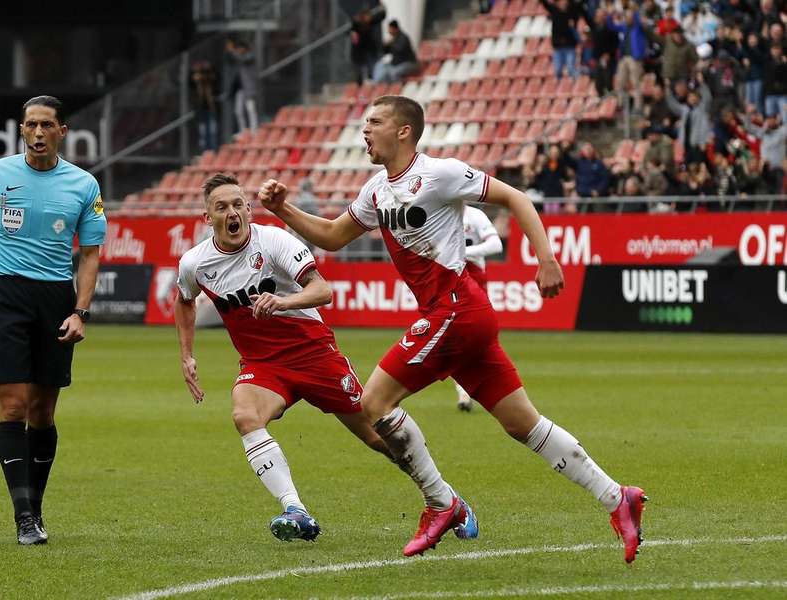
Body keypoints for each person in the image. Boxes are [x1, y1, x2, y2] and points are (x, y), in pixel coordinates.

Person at [258, 95, 646, 562]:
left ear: (403, 131)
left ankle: (443, 503)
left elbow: (515, 197)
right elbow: (334, 237)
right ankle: (616, 498)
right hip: (460, 317)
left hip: (454, 310)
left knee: (374, 402)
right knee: (523, 423)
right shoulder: (377, 189)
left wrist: (546, 258)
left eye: (375, 122)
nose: (365, 131)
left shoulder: (439, 173)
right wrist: (285, 210)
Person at [174, 173, 394, 542]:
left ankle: (441, 494)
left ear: (248, 209)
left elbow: (322, 291)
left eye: (238, 204)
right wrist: (187, 356)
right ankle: (296, 509)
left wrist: (283, 302)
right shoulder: (195, 263)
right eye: (222, 207)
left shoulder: (274, 240)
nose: (233, 213)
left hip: (314, 355)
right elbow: (183, 301)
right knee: (245, 415)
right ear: (207, 218)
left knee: (376, 437)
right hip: (264, 365)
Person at [0, 95, 107, 545]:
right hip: (2, 293)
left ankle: (34, 508)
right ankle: (23, 517)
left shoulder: (84, 185)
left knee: (42, 411)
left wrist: (80, 311)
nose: (37, 133)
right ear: (21, 130)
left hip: (54, 298)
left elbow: (92, 253)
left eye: (46, 125)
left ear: (63, 131)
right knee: (13, 406)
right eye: (30, 125)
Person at [454, 205, 502, 412]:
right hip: (449, 279)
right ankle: (464, 392)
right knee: (455, 339)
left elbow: (496, 245)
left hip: (474, 278)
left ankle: (488, 389)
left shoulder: (474, 216)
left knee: (481, 338)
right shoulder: (438, 213)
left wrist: (465, 252)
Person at [225, 40, 259, 132]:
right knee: (238, 111)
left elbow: (242, 59)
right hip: (240, 89)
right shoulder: (238, 59)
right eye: (238, 48)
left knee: (250, 109)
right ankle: (242, 130)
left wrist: (232, 50)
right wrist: (230, 51)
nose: (239, 50)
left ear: (245, 49)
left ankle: (254, 130)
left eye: (240, 48)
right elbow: (231, 59)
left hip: (249, 88)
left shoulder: (250, 56)